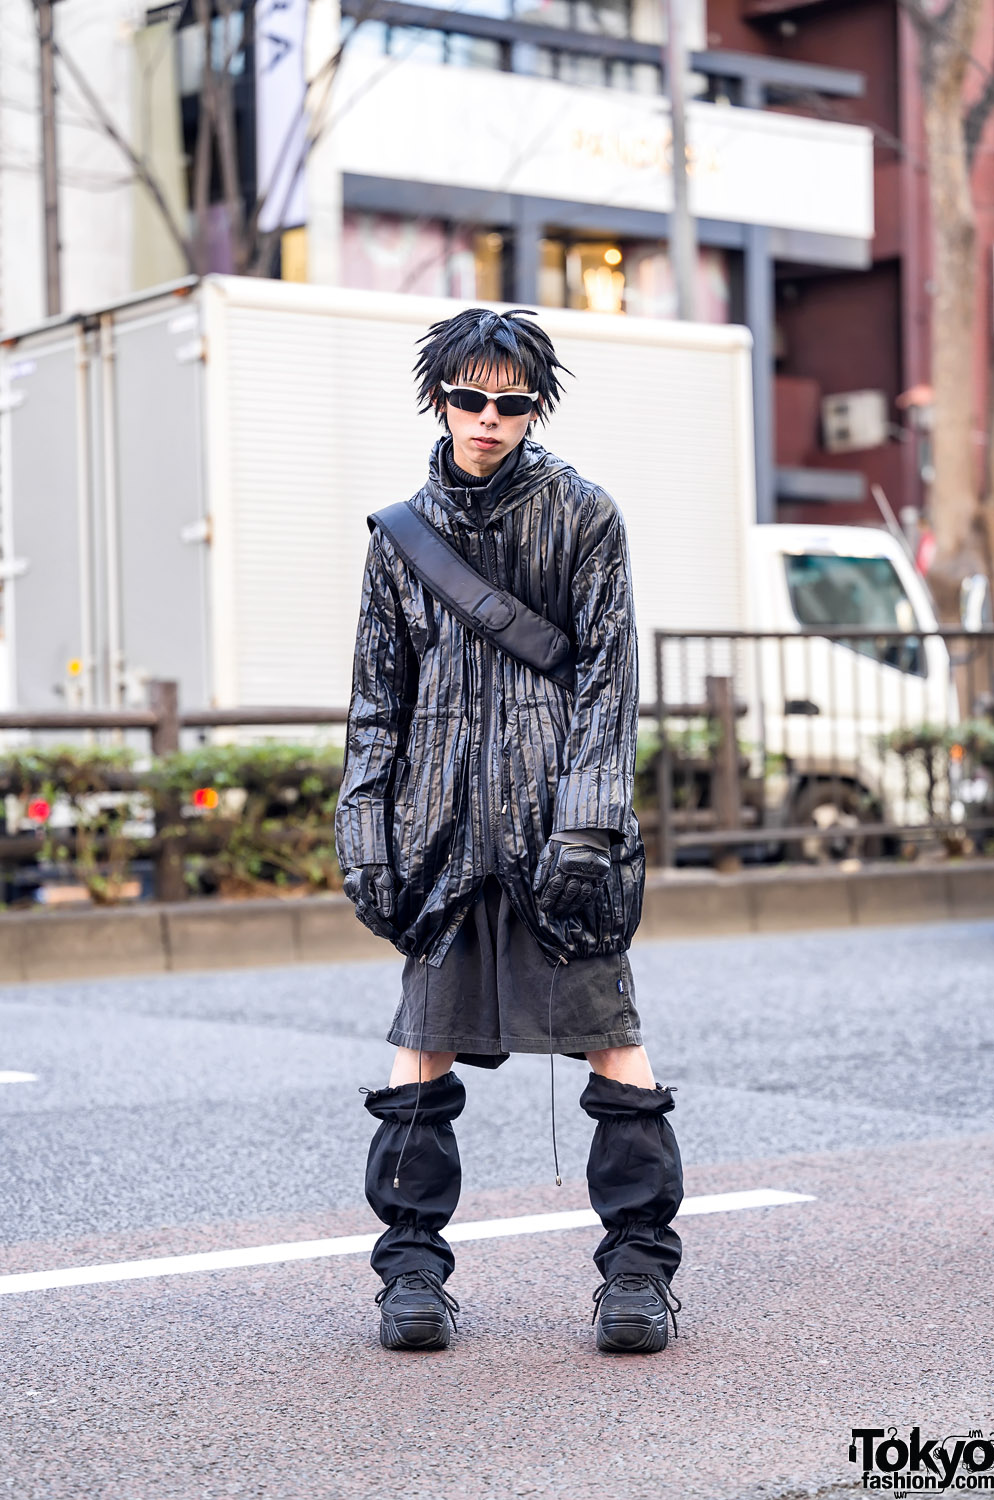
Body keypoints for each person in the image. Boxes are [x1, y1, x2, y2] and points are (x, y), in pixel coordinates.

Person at [334, 306, 683, 1354]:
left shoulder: (584, 515)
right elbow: (373, 698)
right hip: (439, 830)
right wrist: (365, 824)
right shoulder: (401, 535)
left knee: (611, 1043)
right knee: (420, 1047)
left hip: (553, 832)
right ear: (439, 397)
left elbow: (611, 683)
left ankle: (636, 1273)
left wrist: (586, 824)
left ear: (536, 406)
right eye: (469, 397)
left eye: (511, 402)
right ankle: (408, 1277)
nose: (488, 418)